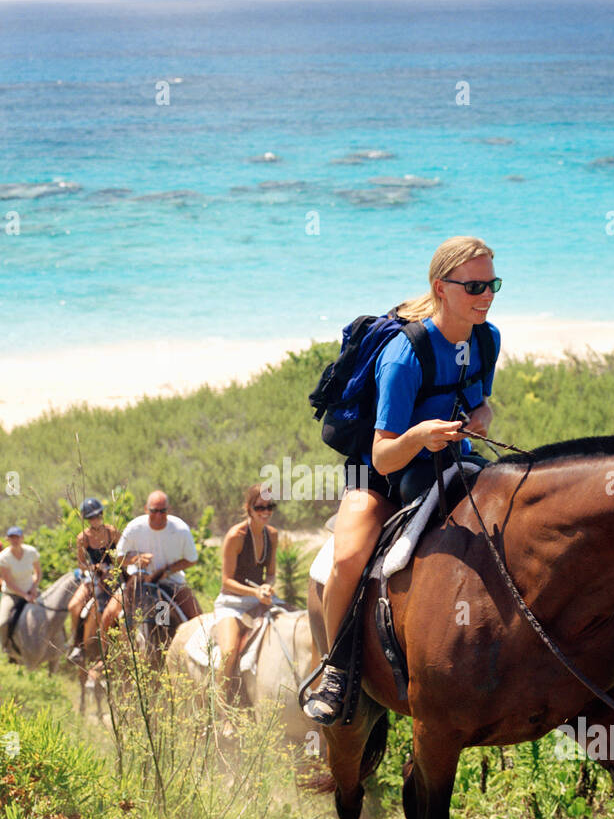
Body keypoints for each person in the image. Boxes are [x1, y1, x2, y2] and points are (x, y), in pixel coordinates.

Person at [302, 235, 501, 724]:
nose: (487, 295)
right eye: (474, 285)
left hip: (453, 460)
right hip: (381, 472)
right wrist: (421, 435)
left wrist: (481, 417)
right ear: (442, 286)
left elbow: (483, 401)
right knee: (347, 558)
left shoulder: (487, 338)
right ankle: (337, 670)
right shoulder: (404, 355)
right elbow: (385, 454)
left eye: (493, 283)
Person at [213, 483, 279, 703]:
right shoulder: (236, 536)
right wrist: (255, 591)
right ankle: (222, 709)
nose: (266, 512)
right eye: (260, 507)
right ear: (249, 508)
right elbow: (226, 581)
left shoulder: (273, 535)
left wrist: (268, 586)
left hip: (260, 599)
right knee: (229, 652)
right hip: (232, 603)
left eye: (270, 507)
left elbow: (270, 573)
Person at [106, 490, 201, 630]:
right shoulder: (135, 527)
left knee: (197, 620)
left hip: (170, 582)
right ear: (146, 509)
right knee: (108, 615)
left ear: (169, 510)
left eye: (162, 511)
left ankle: (198, 649)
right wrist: (135, 559)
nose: (158, 515)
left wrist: (168, 571)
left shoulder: (180, 529)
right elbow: (118, 558)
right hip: (137, 583)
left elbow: (191, 559)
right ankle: (95, 650)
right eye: (154, 511)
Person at [67, 498, 120, 664]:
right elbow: (81, 564)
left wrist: (114, 568)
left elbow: (123, 554)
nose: (95, 520)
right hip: (94, 576)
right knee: (74, 606)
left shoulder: (113, 532)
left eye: (97, 516)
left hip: (114, 574)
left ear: (102, 515)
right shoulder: (83, 537)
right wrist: (95, 567)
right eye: (91, 517)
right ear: (86, 519)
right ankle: (76, 645)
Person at [0, 527, 42, 651]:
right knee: (3, 623)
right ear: (8, 539)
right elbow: (8, 582)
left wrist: (33, 588)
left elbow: (38, 572)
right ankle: (5, 646)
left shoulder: (31, 552)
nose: (15, 540)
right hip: (12, 594)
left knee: (52, 611)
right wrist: (24, 595)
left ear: (22, 538)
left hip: (31, 591)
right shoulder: (3, 557)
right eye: (12, 538)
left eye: (17, 537)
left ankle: (63, 642)